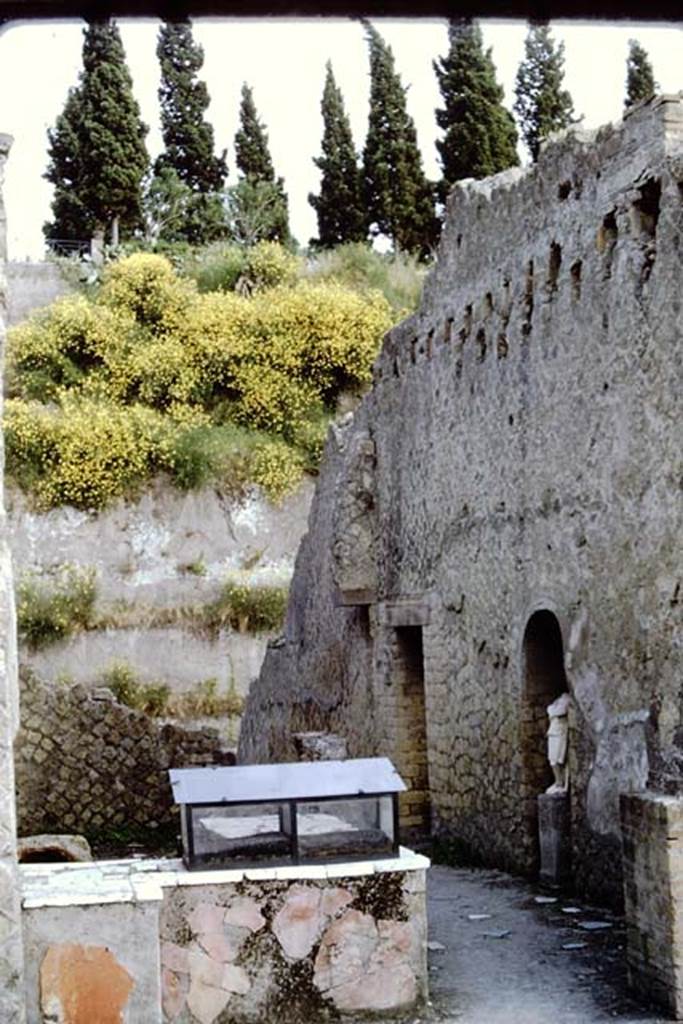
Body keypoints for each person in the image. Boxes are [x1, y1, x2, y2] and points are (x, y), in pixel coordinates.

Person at [546, 692, 571, 793]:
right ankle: (557, 781)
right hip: (553, 733)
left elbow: (557, 711)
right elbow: (550, 709)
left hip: (559, 733)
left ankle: (560, 782)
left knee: (558, 759)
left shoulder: (566, 700)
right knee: (552, 759)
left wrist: (553, 711)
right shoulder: (557, 702)